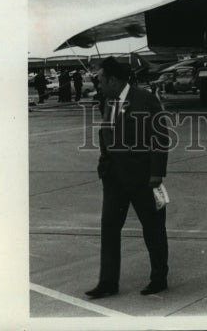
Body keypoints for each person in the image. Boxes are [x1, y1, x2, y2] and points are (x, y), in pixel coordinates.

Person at [85, 56, 170, 300]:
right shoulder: (109, 102)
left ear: (112, 79)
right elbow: (106, 136)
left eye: (100, 80)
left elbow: (160, 137)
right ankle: (108, 281)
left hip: (143, 178)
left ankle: (158, 278)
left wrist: (156, 173)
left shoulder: (145, 99)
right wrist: (104, 164)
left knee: (153, 229)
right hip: (114, 180)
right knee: (109, 229)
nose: (98, 84)